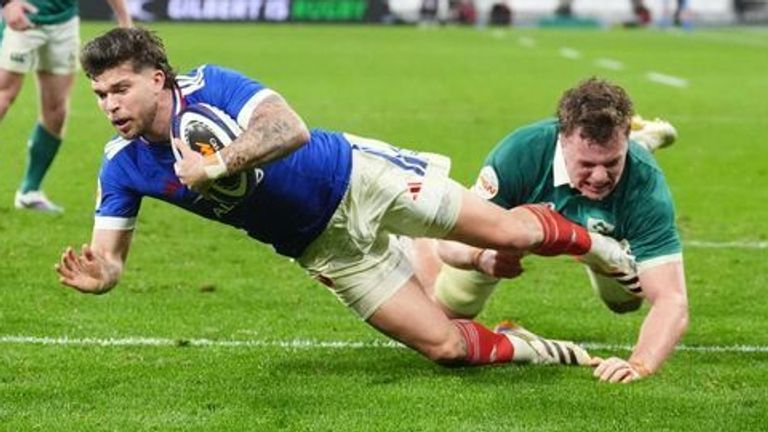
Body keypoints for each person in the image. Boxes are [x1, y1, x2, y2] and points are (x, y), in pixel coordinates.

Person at [55, 28, 637, 370]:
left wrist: (217, 164)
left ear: (157, 78)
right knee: (444, 348)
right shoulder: (121, 166)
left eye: (121, 88)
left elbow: (290, 129)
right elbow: (111, 255)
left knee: (510, 233)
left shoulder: (212, 85)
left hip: (362, 179)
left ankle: (601, 248)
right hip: (323, 249)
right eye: (102, 94)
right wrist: (103, 275)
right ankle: (542, 351)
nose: (110, 105)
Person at [413, 77, 688, 383]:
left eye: (612, 162)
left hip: (603, 231)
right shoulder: (520, 154)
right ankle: (412, 235)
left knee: (624, 303)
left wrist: (639, 364)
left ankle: (596, 245)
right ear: (562, 139)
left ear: (623, 141)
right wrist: (481, 256)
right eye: (586, 163)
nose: (598, 176)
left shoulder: (645, 184)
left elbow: (671, 299)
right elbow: (450, 244)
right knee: (448, 314)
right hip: (513, 231)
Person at [0, 0, 132, 212]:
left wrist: (124, 19)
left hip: (64, 23)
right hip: (22, 13)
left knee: (56, 109)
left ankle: (29, 192)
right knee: (3, 96)